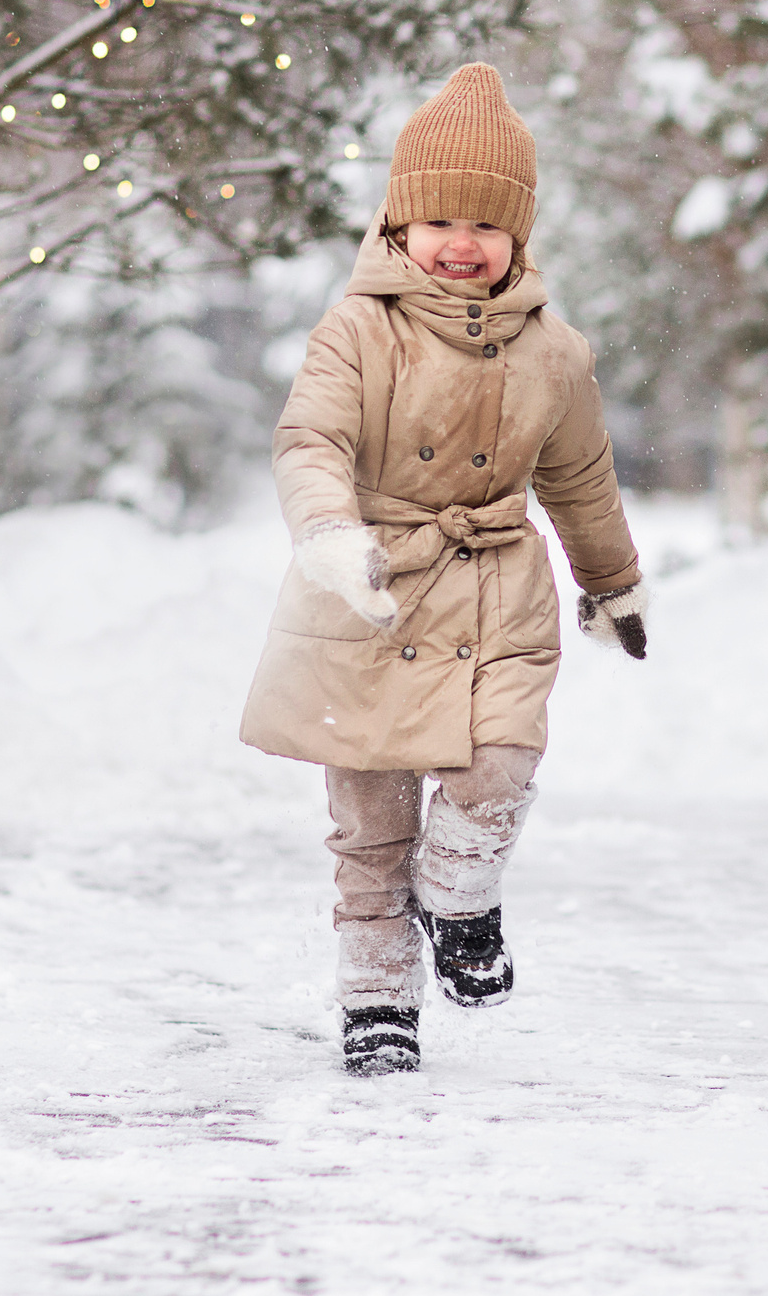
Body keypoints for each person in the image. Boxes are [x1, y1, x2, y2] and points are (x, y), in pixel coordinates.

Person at [239, 63, 647, 1077]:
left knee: (498, 763)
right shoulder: (355, 330)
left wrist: (612, 578)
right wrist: (331, 534)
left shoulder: (554, 353)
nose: (462, 243)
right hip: (372, 593)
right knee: (370, 829)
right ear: (399, 225)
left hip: (495, 586)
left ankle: (462, 896)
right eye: (439, 221)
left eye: (487, 223)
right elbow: (308, 443)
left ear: (520, 236)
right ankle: (378, 1000)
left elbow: (581, 479)